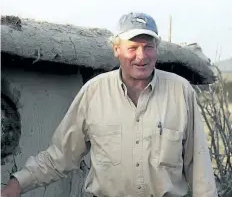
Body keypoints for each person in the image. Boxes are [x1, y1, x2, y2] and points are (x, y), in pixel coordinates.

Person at [1, 12, 218, 197]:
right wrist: (18, 183)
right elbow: (61, 155)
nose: (141, 56)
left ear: (156, 49)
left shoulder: (180, 91)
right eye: (132, 48)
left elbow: (198, 166)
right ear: (116, 49)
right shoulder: (94, 92)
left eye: (148, 47)